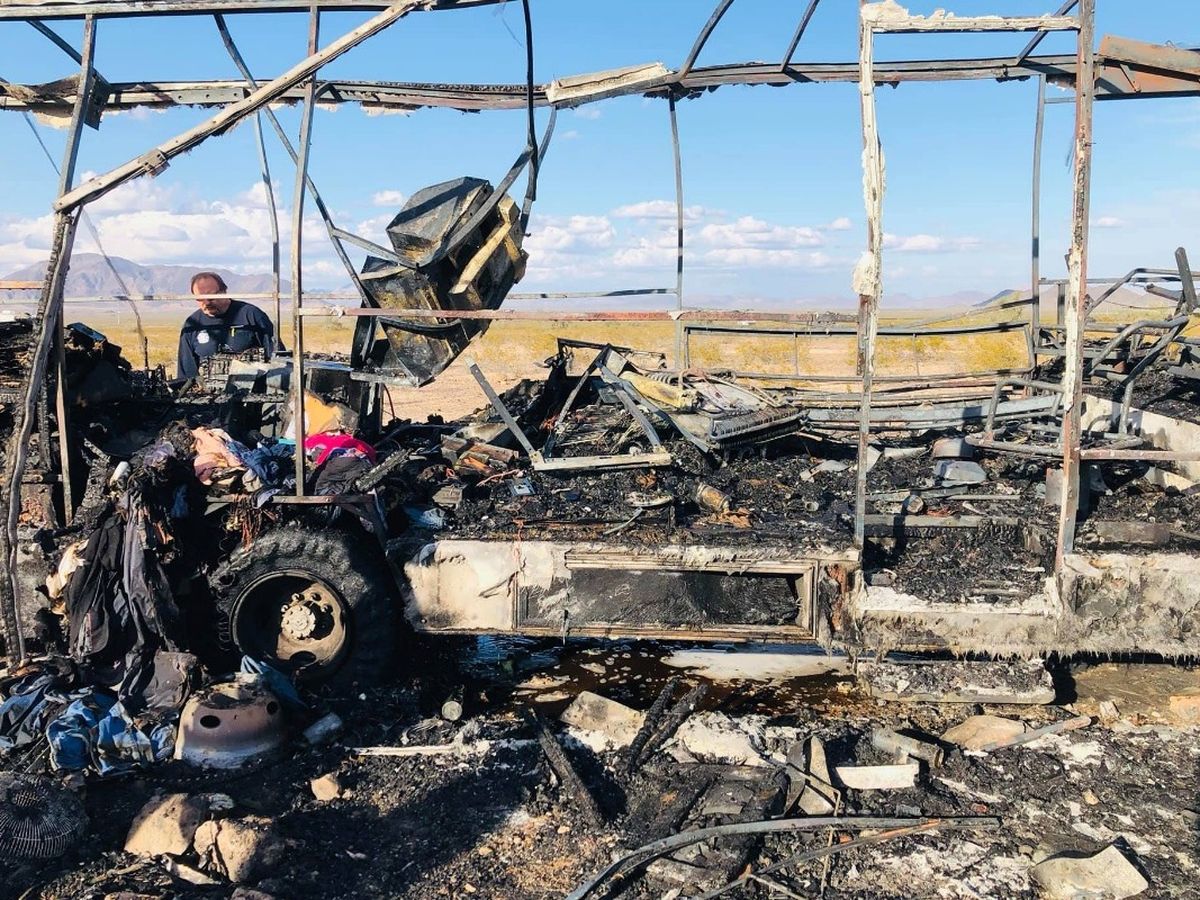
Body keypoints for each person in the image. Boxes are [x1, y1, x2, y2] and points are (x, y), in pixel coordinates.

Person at [176, 272, 277, 379]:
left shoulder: (252, 315)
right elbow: (186, 375)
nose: (207, 303)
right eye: (200, 298)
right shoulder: (192, 325)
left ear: (224, 291)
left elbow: (276, 358)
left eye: (211, 296)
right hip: (210, 389)